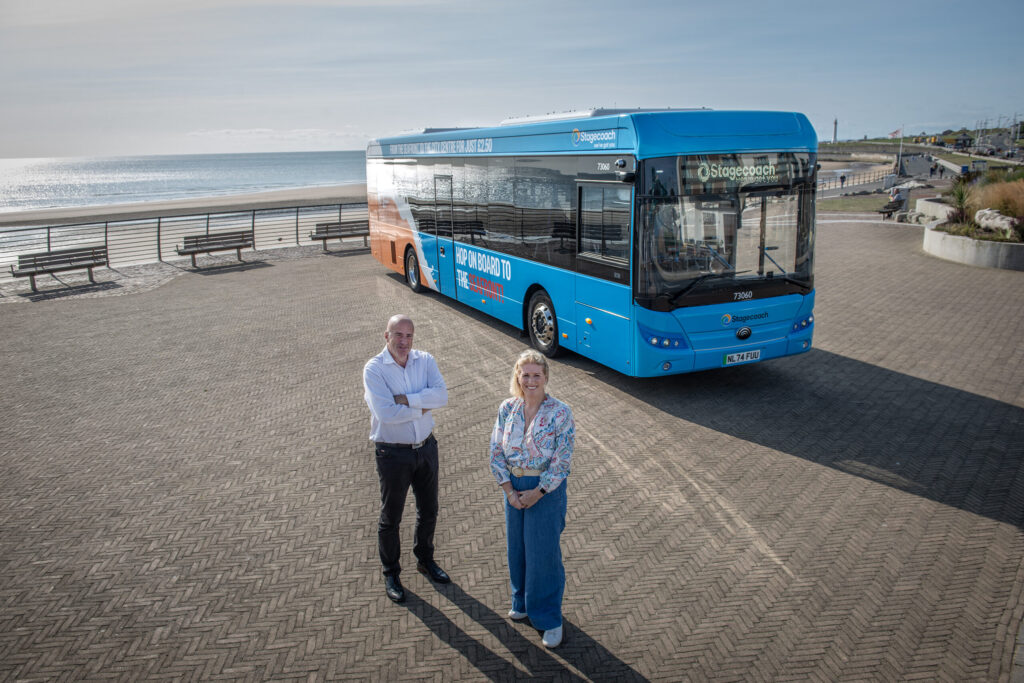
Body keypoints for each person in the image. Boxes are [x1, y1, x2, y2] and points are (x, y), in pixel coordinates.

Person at [489, 349, 575, 648]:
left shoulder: (560, 412)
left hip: (545, 490)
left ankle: (549, 618)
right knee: (517, 548)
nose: (531, 380)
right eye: (525, 374)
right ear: (518, 376)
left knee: (543, 554)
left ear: (546, 377)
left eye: (537, 375)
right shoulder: (507, 408)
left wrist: (537, 493)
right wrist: (510, 492)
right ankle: (522, 601)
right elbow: (495, 451)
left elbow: (562, 461)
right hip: (513, 486)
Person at [363, 314, 450, 603]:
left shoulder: (424, 360)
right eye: (398, 335)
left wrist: (406, 399)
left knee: (429, 510)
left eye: (409, 336)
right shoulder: (374, 370)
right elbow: (386, 414)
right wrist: (423, 405)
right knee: (391, 517)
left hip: (426, 447)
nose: (404, 342)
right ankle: (391, 572)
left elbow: (441, 396)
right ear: (385, 336)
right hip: (393, 453)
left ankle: (425, 560)